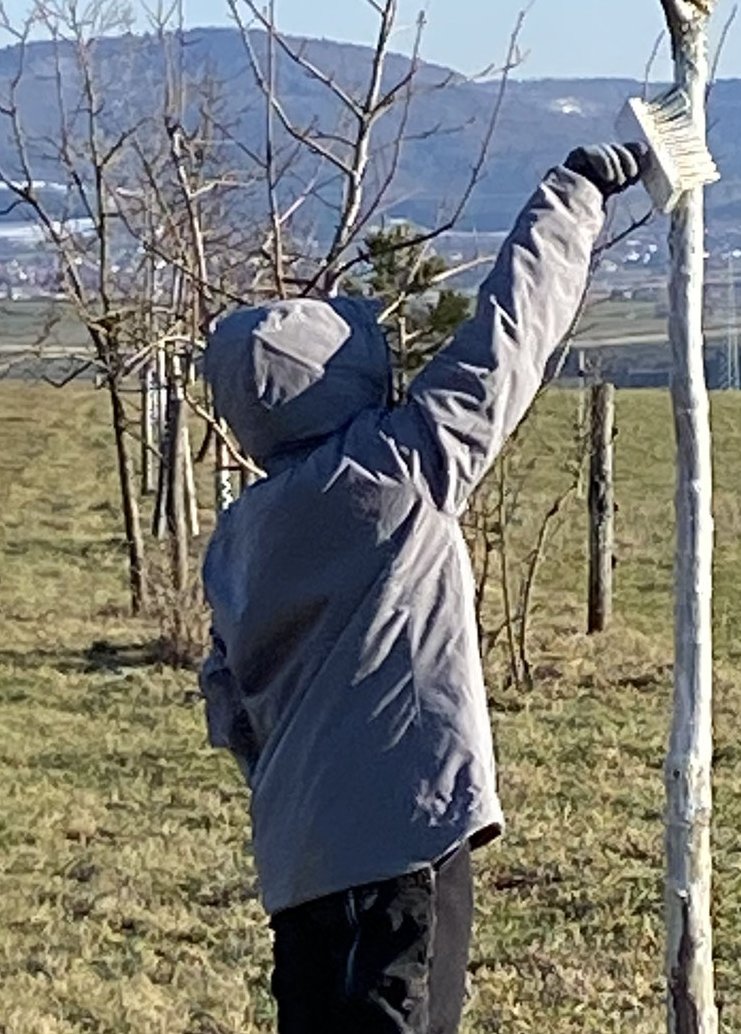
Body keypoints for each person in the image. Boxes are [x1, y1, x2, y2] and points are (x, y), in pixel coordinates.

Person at [199, 142, 648, 1034]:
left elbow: (227, 701)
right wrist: (577, 190)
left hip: (297, 858)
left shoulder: (238, 535)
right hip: (403, 837)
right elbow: (507, 338)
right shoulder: (401, 468)